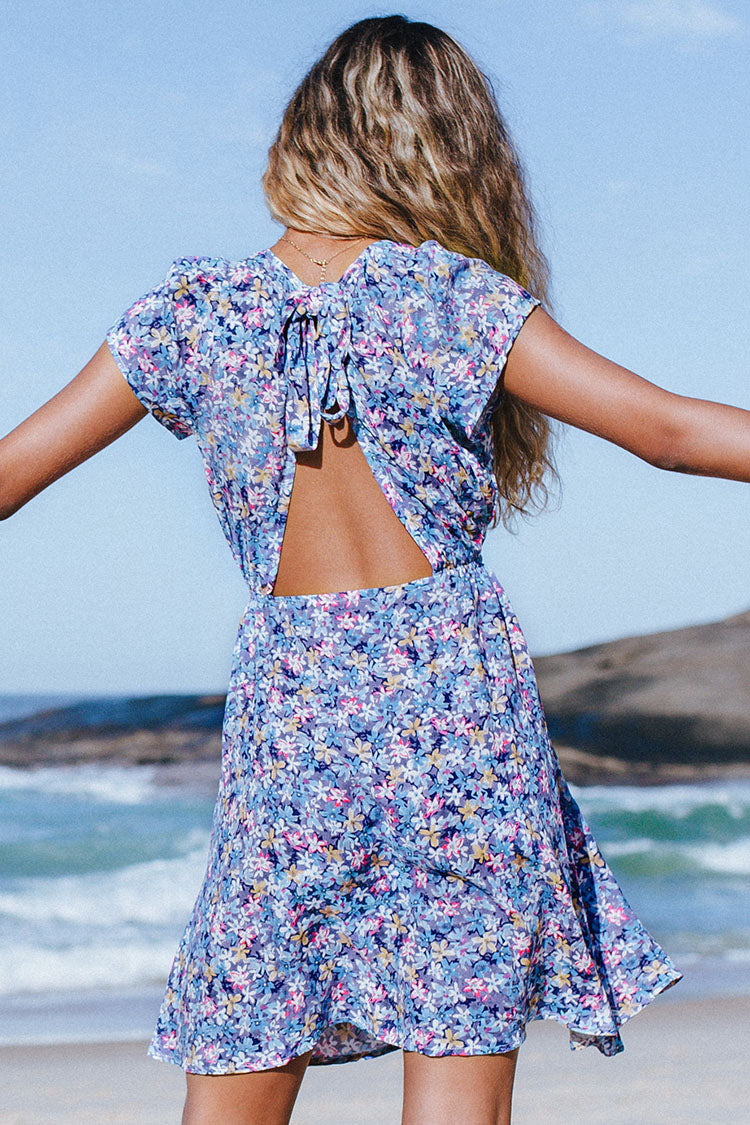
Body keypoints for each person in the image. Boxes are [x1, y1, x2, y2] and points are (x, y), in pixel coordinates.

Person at [1, 14, 748, 1125]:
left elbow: (8, 475)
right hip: (454, 703)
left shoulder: (193, 315)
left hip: (294, 711)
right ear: (449, 152)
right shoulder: (450, 298)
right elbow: (671, 434)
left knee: (253, 1015)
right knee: (455, 1034)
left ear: (304, 137)